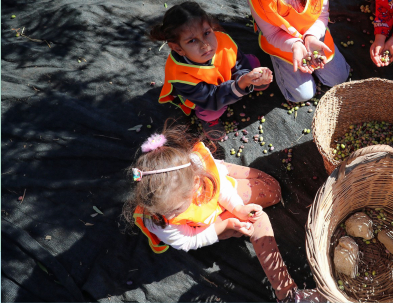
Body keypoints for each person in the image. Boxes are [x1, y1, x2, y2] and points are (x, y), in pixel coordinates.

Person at [122, 124, 321, 302]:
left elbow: (220, 187)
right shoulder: (160, 220)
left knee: (272, 189)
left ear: (196, 181)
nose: (174, 213)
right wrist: (225, 226)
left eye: (178, 207)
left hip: (215, 183)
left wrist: (238, 208)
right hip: (208, 223)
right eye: (173, 211)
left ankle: (224, 179)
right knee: (262, 215)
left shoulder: (195, 166)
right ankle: (287, 294)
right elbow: (189, 239)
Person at [150, 2, 273, 139]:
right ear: (178, 48)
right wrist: (241, 84)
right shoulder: (180, 74)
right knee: (211, 111)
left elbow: (239, 62)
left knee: (252, 62)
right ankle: (208, 120)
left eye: (207, 33)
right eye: (192, 41)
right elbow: (211, 98)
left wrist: (248, 76)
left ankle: (250, 83)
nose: (205, 45)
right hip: (206, 99)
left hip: (226, 80)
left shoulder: (223, 41)